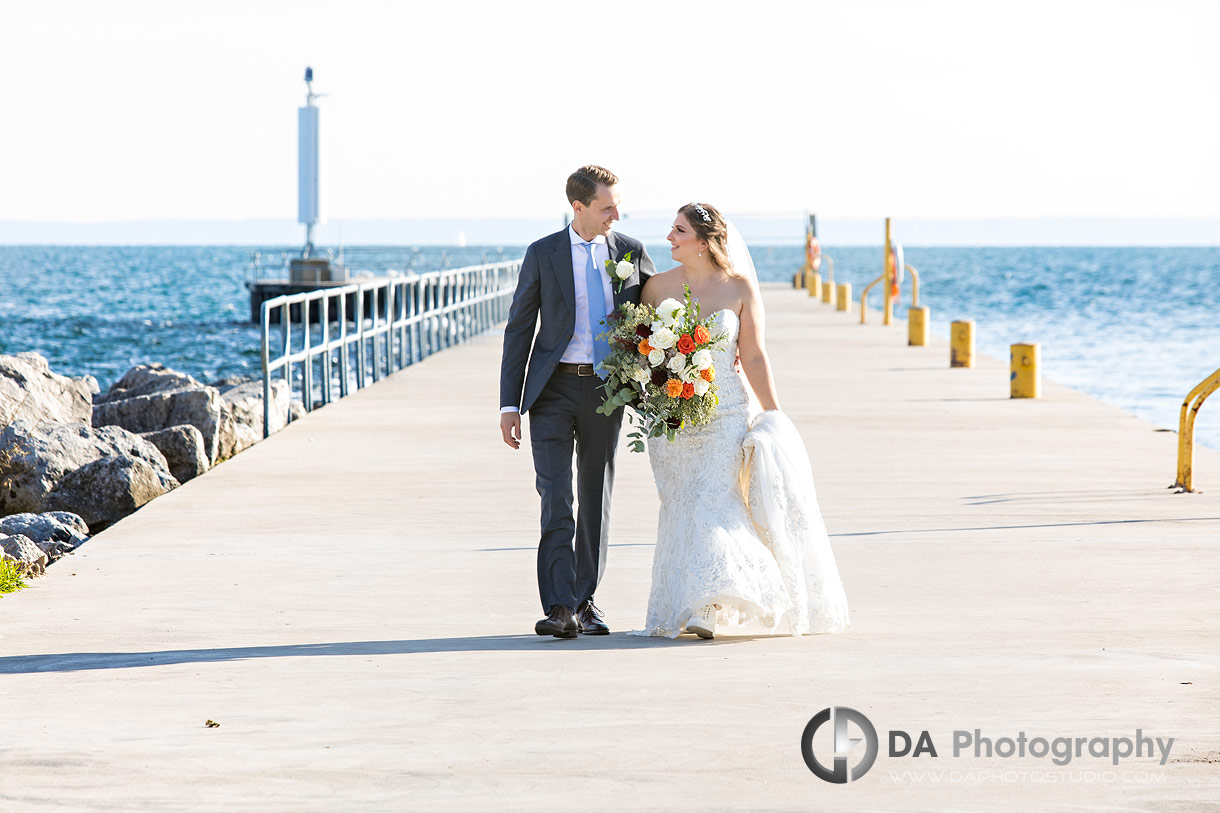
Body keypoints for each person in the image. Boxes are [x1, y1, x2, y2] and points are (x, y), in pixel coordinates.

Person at [634, 202, 849, 639]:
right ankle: (690, 599)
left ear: (704, 241)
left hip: (725, 412)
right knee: (681, 505)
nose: (670, 238)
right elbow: (639, 350)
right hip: (671, 417)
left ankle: (708, 606)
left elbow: (752, 355)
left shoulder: (739, 288)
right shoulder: (655, 288)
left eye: (678, 231)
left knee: (713, 500)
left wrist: (773, 411)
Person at [499, 165, 655, 638]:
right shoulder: (543, 253)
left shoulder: (630, 251)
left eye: (617, 205)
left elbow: (657, 311)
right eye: (607, 206)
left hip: (607, 390)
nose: (616, 214)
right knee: (555, 496)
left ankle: (586, 601)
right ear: (579, 207)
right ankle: (560, 606)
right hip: (552, 389)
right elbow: (520, 328)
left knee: (594, 497)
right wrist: (509, 404)